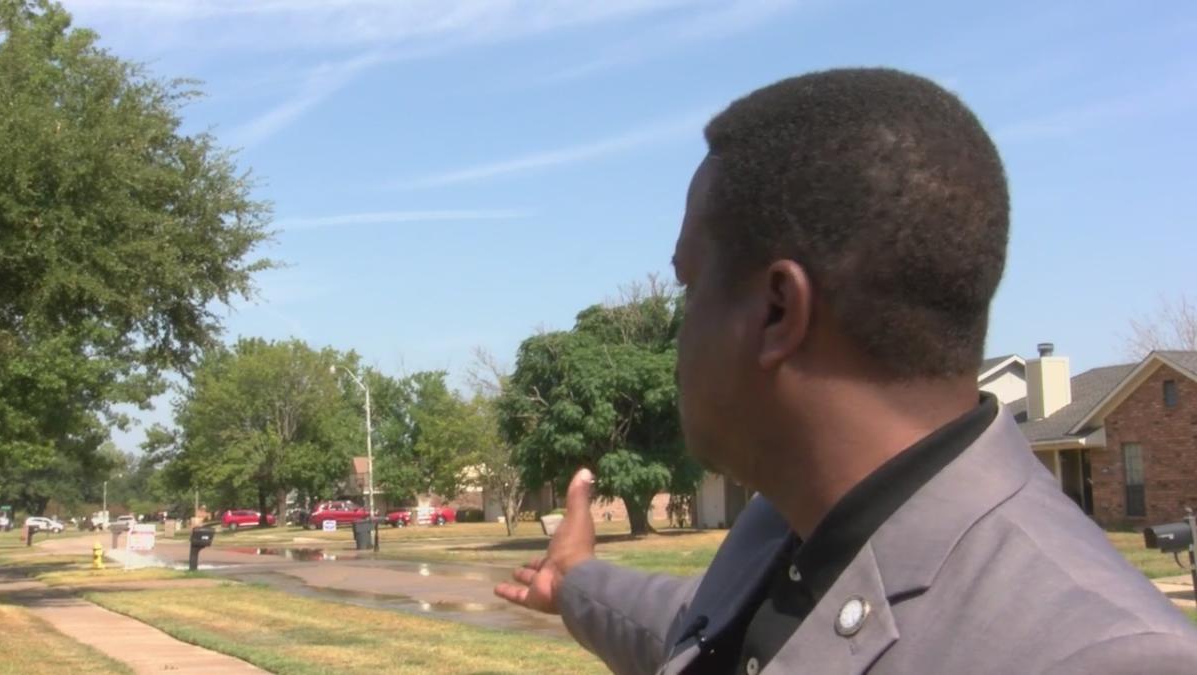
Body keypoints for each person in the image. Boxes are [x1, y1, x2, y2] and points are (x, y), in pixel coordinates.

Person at [495, 68, 1197, 674]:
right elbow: (695, 629)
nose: (680, 334)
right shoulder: (789, 528)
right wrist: (575, 579)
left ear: (777, 311)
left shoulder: (1100, 653)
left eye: (688, 285)